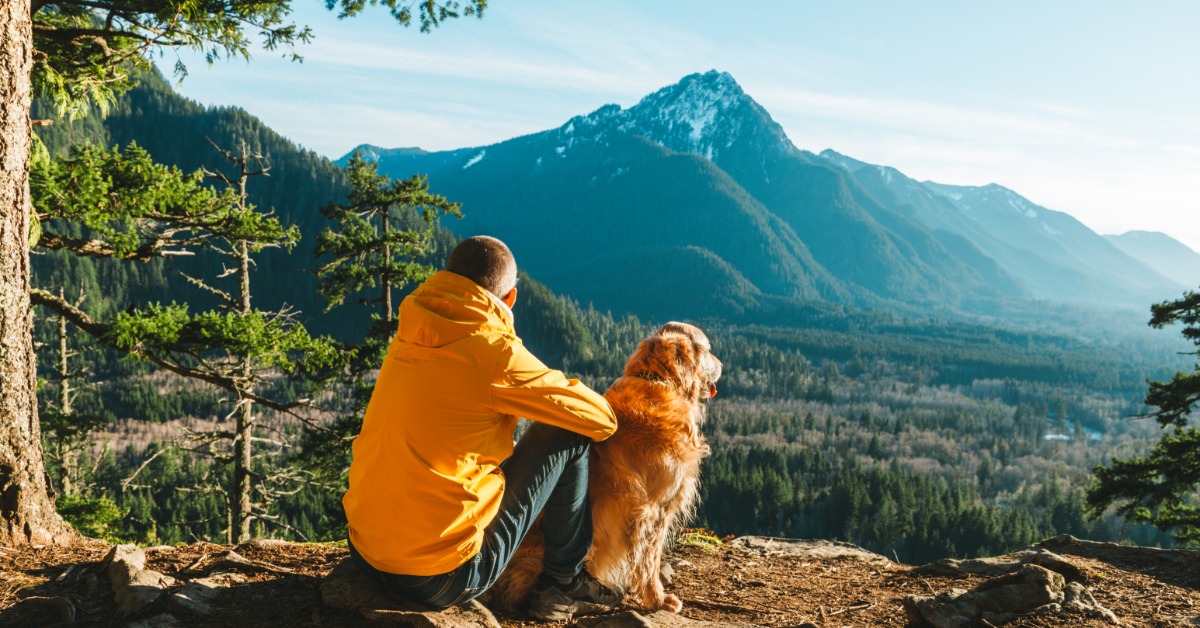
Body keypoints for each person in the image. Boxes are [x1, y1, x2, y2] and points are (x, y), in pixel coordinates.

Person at [343, 235, 621, 621]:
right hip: (440, 576)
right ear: (509, 298)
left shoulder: (412, 327)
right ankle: (564, 581)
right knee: (567, 432)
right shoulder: (495, 352)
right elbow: (601, 419)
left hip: (364, 550)